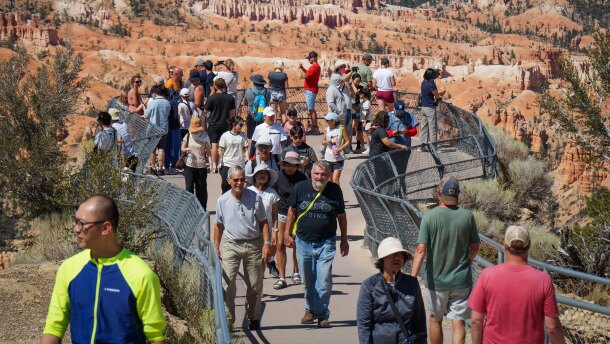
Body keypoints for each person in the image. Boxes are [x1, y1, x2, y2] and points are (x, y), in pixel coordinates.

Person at [41, 195, 166, 344]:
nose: (75, 229)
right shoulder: (69, 268)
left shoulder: (141, 275)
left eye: (82, 223)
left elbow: (156, 336)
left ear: (105, 228)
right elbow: (54, 326)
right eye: (75, 222)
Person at [468, 225, 566, 344]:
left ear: (505, 245)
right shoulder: (543, 279)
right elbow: (552, 327)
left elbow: (476, 321)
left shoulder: (487, 275)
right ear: (529, 245)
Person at [410, 177, 480, 344]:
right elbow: (475, 246)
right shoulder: (467, 216)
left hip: (436, 281)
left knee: (435, 319)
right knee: (459, 322)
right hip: (461, 280)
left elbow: (421, 249)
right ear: (458, 194)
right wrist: (467, 260)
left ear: (438, 193)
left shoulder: (429, 217)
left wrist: (412, 278)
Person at [284, 161, 349, 328]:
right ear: (311, 174)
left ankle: (322, 314)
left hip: (326, 241)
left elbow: (341, 216)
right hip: (303, 241)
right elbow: (292, 211)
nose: (320, 177)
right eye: (317, 174)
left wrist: (344, 240)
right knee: (307, 280)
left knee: (324, 279)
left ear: (328, 175)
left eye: (323, 174)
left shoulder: (335, 190)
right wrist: (286, 233)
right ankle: (310, 310)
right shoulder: (300, 187)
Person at [214, 166, 271, 330]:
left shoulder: (254, 197)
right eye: (236, 180)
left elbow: (264, 223)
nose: (239, 183)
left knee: (254, 284)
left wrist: (267, 244)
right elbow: (218, 226)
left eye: (242, 179)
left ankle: (253, 317)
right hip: (231, 244)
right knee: (227, 282)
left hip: (253, 243)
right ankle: (228, 320)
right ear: (229, 181)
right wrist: (216, 247)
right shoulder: (222, 201)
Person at [357, 237, 427, 344]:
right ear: (382, 260)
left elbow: (419, 320)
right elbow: (364, 324)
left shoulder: (412, 284)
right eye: (391, 255)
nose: (397, 258)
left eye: (400, 255)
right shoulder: (369, 286)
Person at [273, 152, 307, 290]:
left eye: (294, 165)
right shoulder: (278, 177)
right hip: (281, 212)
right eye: (288, 164)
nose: (290, 167)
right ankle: (282, 277)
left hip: (297, 213)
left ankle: (296, 272)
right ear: (284, 164)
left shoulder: (302, 178)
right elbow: (273, 195)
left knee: (296, 243)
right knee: (280, 243)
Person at [247, 164, 281, 279]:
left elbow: (275, 214)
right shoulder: (248, 192)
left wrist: (275, 231)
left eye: (265, 174)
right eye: (260, 173)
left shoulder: (272, 194)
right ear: (255, 176)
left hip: (266, 234)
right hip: (250, 232)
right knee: (251, 261)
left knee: (262, 259)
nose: (262, 175)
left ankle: (259, 284)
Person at [205, 78, 236, 174]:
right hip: (225, 124)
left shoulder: (212, 98)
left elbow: (206, 111)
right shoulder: (230, 98)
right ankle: (221, 163)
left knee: (214, 144)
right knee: (224, 145)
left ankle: (213, 165)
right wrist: (231, 124)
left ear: (215, 86)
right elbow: (232, 113)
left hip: (214, 123)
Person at [181, 117, 211, 210]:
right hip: (189, 166)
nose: (195, 132)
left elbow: (209, 152)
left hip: (201, 166)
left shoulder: (205, 136)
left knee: (201, 189)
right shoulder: (188, 135)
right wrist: (186, 149)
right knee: (189, 188)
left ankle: (202, 208)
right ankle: (189, 208)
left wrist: (212, 164)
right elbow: (182, 148)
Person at [144, 86, 171, 174]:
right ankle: (160, 168)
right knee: (161, 149)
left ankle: (152, 167)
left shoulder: (152, 103)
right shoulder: (167, 103)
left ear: (154, 93)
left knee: (152, 149)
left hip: (153, 129)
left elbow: (146, 115)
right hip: (163, 129)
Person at [218, 116, 249, 194]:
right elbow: (221, 150)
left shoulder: (243, 135)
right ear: (233, 124)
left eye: (242, 125)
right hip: (227, 164)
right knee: (225, 186)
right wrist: (219, 163)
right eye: (240, 125)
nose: (242, 127)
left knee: (239, 187)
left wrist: (248, 162)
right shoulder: (225, 136)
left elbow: (245, 150)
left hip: (239, 165)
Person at [321, 112, 350, 185]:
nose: (326, 121)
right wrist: (328, 141)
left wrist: (339, 149)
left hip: (338, 158)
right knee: (330, 180)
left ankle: (338, 195)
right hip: (328, 158)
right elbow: (322, 142)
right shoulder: (326, 129)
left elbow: (347, 141)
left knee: (335, 179)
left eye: (328, 120)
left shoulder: (341, 128)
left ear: (334, 120)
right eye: (326, 120)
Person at [420, 68, 444, 145]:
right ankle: (434, 147)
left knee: (424, 128)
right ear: (431, 75)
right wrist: (440, 96)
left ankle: (421, 146)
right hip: (430, 108)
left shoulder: (423, 82)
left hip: (423, 108)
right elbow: (436, 95)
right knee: (432, 129)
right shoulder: (431, 84)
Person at [242, 74, 271, 140]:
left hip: (251, 116)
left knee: (250, 137)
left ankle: (251, 150)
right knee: (263, 136)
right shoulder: (267, 92)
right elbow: (267, 102)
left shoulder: (248, 91)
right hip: (263, 117)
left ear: (254, 82)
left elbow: (245, 103)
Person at [299, 51, 321, 134]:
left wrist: (299, 69)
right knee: (311, 109)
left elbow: (305, 76)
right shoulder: (315, 67)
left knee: (311, 109)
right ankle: (314, 127)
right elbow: (308, 73)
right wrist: (302, 67)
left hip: (310, 90)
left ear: (313, 58)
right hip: (311, 90)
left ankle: (315, 128)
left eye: (309, 58)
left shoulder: (314, 67)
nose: (309, 60)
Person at [359, 89, 373, 154]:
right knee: (364, 134)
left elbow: (367, 112)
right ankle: (369, 147)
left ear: (364, 94)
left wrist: (365, 121)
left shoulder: (367, 102)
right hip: (364, 120)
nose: (359, 95)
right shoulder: (362, 102)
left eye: (361, 94)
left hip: (367, 120)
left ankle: (369, 147)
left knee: (365, 134)